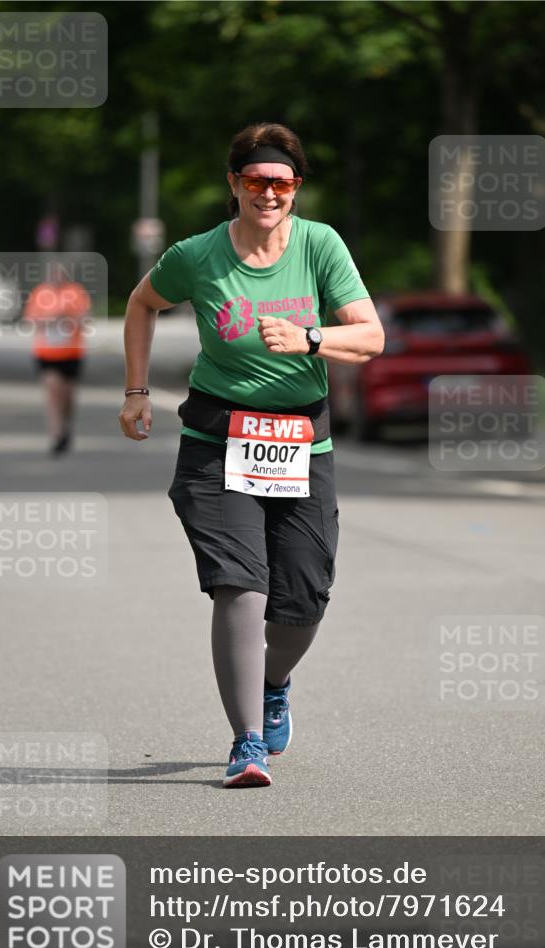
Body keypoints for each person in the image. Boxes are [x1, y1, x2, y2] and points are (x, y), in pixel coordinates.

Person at [119, 122, 383, 787]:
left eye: (283, 183)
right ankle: (246, 744)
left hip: (302, 440)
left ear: (296, 189)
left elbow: (371, 338)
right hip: (217, 439)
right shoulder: (198, 254)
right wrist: (135, 391)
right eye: (256, 181)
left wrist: (310, 339)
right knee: (239, 584)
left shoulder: (320, 246)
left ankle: (272, 682)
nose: (269, 194)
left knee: (302, 601)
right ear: (233, 184)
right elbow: (142, 303)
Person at [26, 260, 90, 455]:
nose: (57, 278)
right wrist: (54, 317)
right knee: (53, 390)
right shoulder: (40, 293)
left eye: (61, 274)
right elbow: (32, 320)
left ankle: (65, 426)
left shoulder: (76, 292)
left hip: (71, 353)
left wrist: (67, 315)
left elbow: (85, 317)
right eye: (54, 274)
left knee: (68, 395)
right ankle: (56, 433)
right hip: (47, 353)